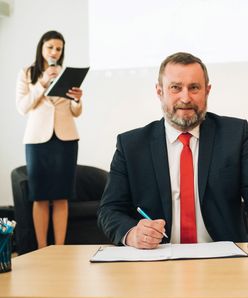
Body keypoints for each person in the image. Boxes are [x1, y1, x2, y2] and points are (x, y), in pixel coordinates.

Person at [97, 52, 248, 249]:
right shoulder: (131, 145)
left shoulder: (236, 135)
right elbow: (109, 210)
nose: (185, 98)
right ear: (160, 92)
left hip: (223, 257)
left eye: (194, 88)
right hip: (158, 260)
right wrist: (132, 234)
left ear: (207, 91)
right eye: (175, 88)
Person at [16, 30, 83, 249]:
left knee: (62, 196)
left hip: (66, 139)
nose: (54, 52)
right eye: (50, 47)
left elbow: (76, 112)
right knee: (40, 196)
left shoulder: (67, 73)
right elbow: (23, 107)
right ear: (41, 48)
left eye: (59, 48)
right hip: (37, 141)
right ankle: (43, 248)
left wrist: (77, 100)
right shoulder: (28, 73)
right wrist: (42, 83)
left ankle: (60, 248)